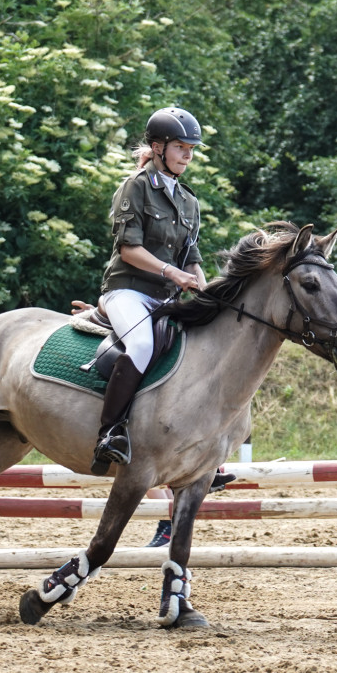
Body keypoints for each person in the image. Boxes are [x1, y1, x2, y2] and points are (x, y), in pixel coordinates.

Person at [90, 107, 207, 475]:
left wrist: (206, 290)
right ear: (157, 147)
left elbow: (192, 259)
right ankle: (109, 432)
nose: (187, 155)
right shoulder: (136, 187)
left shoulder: (189, 201)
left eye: (191, 148)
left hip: (164, 298)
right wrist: (173, 272)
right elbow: (129, 250)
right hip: (127, 290)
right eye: (180, 147)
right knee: (141, 344)